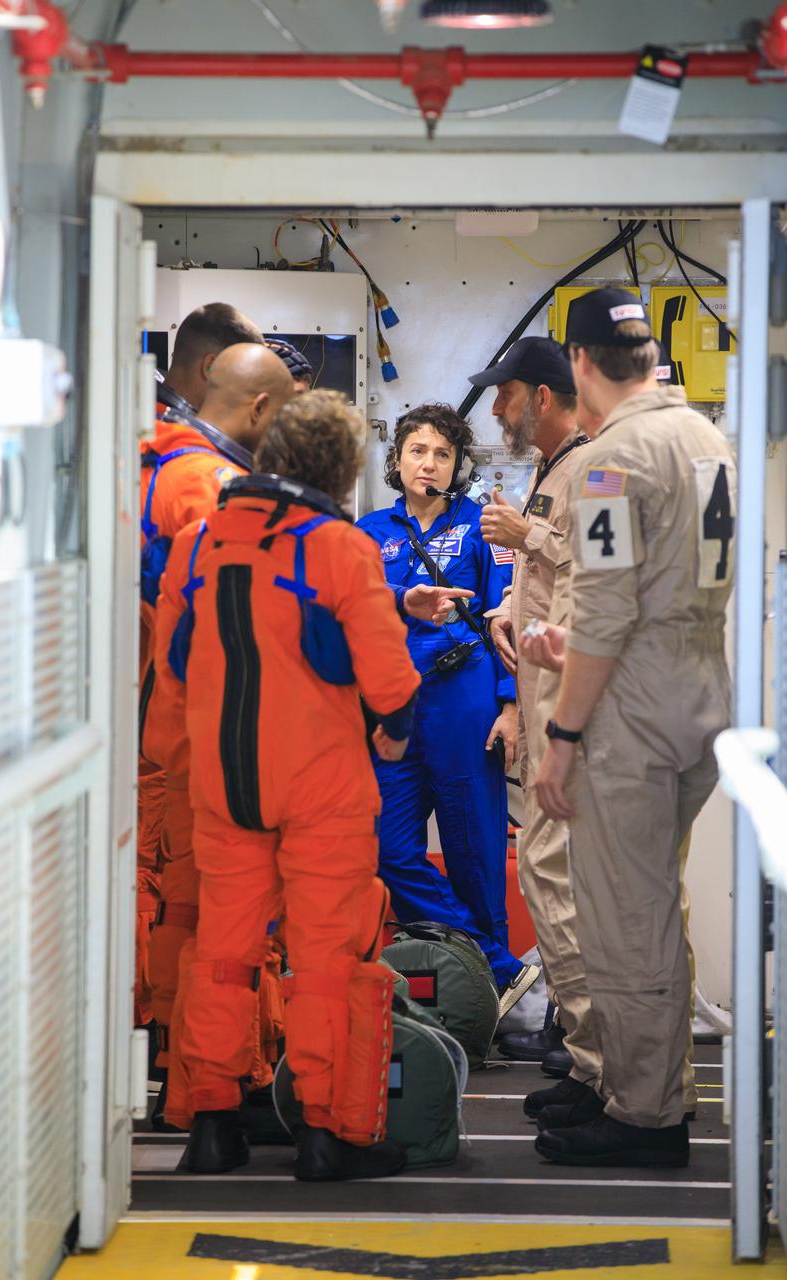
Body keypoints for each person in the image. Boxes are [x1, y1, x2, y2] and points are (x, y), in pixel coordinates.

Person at [152, 390, 421, 1181]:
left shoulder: (196, 542)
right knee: (325, 959)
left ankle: (207, 1124)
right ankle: (325, 1133)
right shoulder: (337, 546)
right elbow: (391, 680)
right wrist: (394, 736)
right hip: (320, 787)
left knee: (221, 955)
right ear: (339, 470)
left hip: (222, 786)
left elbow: (171, 667)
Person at [531, 288, 736, 1167]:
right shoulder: (702, 435)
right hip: (695, 687)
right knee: (654, 903)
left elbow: (607, 613)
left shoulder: (611, 460)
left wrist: (563, 738)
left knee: (624, 915)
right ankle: (639, 1089)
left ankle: (646, 1119)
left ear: (578, 364)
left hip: (630, 714)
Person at [141, 341, 294, 1124]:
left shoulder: (157, 465)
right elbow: (238, 633)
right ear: (261, 409)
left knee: (183, 917)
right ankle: (217, 1096)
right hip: (214, 745)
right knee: (225, 930)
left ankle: (186, 1083)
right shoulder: (214, 489)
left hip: (167, 734)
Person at [357, 403, 539, 1017]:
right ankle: (499, 965)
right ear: (397, 459)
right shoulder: (368, 533)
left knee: (475, 854)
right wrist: (398, 599)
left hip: (465, 698)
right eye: (416, 450)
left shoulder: (485, 527)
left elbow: (507, 623)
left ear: (458, 463)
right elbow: (345, 608)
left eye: (441, 453)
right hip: (394, 710)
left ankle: (483, 1007)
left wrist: (511, 708)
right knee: (389, 850)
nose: (428, 463)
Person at [136, 303, 265, 1032]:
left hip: (165, 719)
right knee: (191, 896)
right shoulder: (201, 481)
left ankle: (173, 1049)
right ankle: (185, 1054)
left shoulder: (154, 454)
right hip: (187, 727)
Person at [466, 337, 592, 1082]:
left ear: (540, 397)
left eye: (503, 395)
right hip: (543, 696)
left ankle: (590, 1054)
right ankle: (582, 1051)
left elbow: (607, 578)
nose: (496, 410)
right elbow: (554, 580)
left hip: (572, 706)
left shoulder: (595, 467)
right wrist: (505, 613)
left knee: (551, 872)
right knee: (542, 874)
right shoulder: (552, 469)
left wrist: (527, 537)